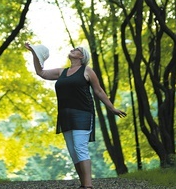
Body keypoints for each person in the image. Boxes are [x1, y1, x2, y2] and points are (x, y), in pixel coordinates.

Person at [25, 42, 126, 189]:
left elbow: (98, 91)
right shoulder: (62, 72)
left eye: (76, 49)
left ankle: (88, 185)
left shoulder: (87, 71)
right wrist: (34, 53)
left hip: (83, 113)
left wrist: (112, 108)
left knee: (80, 147)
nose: (72, 50)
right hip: (65, 115)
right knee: (73, 151)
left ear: (82, 56)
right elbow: (41, 72)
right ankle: (83, 183)